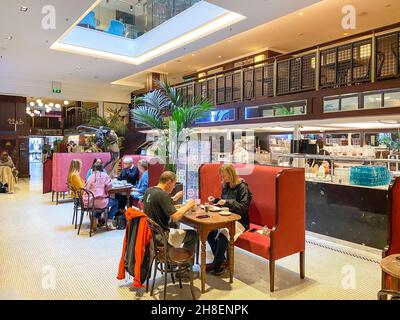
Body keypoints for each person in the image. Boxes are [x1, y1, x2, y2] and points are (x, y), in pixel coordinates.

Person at [207, 164, 252, 275]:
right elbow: (224, 202)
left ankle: (217, 264)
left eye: (225, 176)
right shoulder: (226, 186)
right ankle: (221, 261)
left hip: (240, 221)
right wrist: (216, 200)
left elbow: (244, 207)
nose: (224, 179)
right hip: (226, 218)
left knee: (224, 233)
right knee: (208, 231)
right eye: (222, 176)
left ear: (232, 174)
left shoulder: (242, 187)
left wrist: (227, 202)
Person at [143, 171, 197, 252]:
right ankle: (184, 264)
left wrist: (173, 198)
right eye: (174, 184)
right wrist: (188, 205)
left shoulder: (149, 191)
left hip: (150, 233)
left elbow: (157, 201)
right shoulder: (163, 195)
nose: (174, 187)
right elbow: (176, 217)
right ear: (169, 182)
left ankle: (172, 262)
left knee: (175, 227)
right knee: (193, 235)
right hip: (161, 236)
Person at [84, 163, 118, 231]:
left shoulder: (90, 176)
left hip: (88, 201)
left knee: (100, 204)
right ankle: (109, 222)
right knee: (116, 202)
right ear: (102, 168)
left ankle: (96, 219)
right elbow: (109, 187)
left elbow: (86, 188)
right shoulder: (104, 175)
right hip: (100, 201)